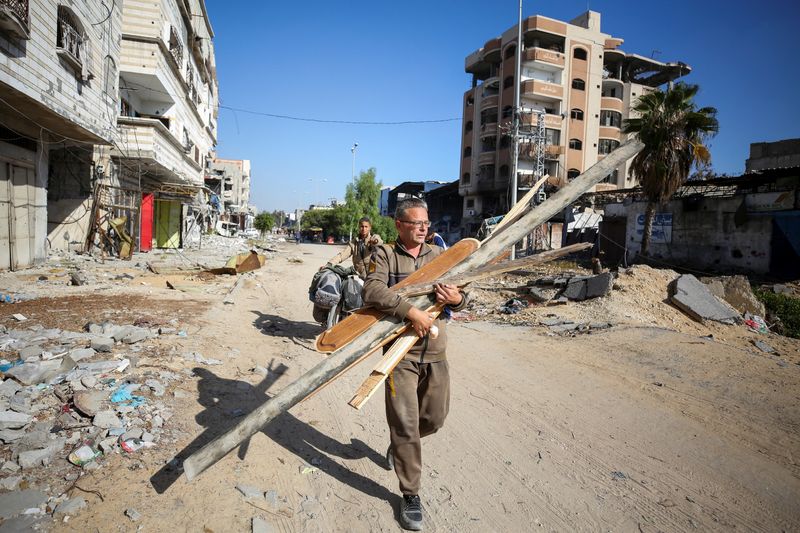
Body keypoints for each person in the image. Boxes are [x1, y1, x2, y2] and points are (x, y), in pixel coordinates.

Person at [362, 198, 468, 531]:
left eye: (426, 223)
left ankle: (401, 446)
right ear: (398, 225)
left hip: (436, 353)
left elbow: (467, 291)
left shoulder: (440, 256)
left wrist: (458, 298)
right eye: (415, 223)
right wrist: (411, 312)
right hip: (399, 356)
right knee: (406, 424)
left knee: (434, 419)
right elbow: (373, 290)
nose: (423, 228)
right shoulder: (385, 255)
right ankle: (410, 494)